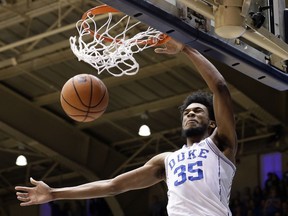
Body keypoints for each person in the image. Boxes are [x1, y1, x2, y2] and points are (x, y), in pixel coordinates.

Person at [15, 38, 237, 215]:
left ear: (212, 122)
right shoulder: (166, 161)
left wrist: (186, 48)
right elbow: (114, 186)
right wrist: (53, 193)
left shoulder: (220, 145)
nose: (190, 113)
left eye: (198, 110)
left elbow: (219, 87)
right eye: (187, 112)